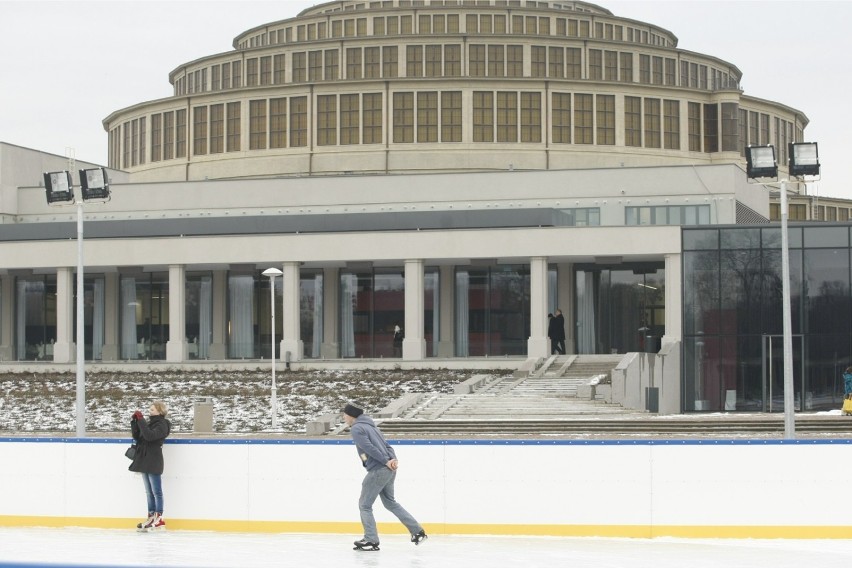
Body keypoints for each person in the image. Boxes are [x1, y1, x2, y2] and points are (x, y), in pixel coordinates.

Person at [343, 402, 427, 551]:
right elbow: (387, 446)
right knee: (390, 503)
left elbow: (368, 447)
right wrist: (392, 460)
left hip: (378, 470)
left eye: (345, 415)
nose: (344, 418)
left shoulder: (357, 428)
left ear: (351, 416)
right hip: (389, 468)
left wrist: (385, 461)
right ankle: (418, 532)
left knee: (364, 505)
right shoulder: (373, 427)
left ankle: (371, 540)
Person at [129, 400, 172, 532]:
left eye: (152, 410)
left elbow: (149, 436)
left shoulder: (163, 424)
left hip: (154, 460)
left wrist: (141, 420)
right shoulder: (149, 423)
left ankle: (159, 518)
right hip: (144, 460)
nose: (150, 411)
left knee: (156, 492)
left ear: (160, 411)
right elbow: (138, 437)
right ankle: (151, 516)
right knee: (149, 492)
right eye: (149, 409)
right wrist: (135, 422)